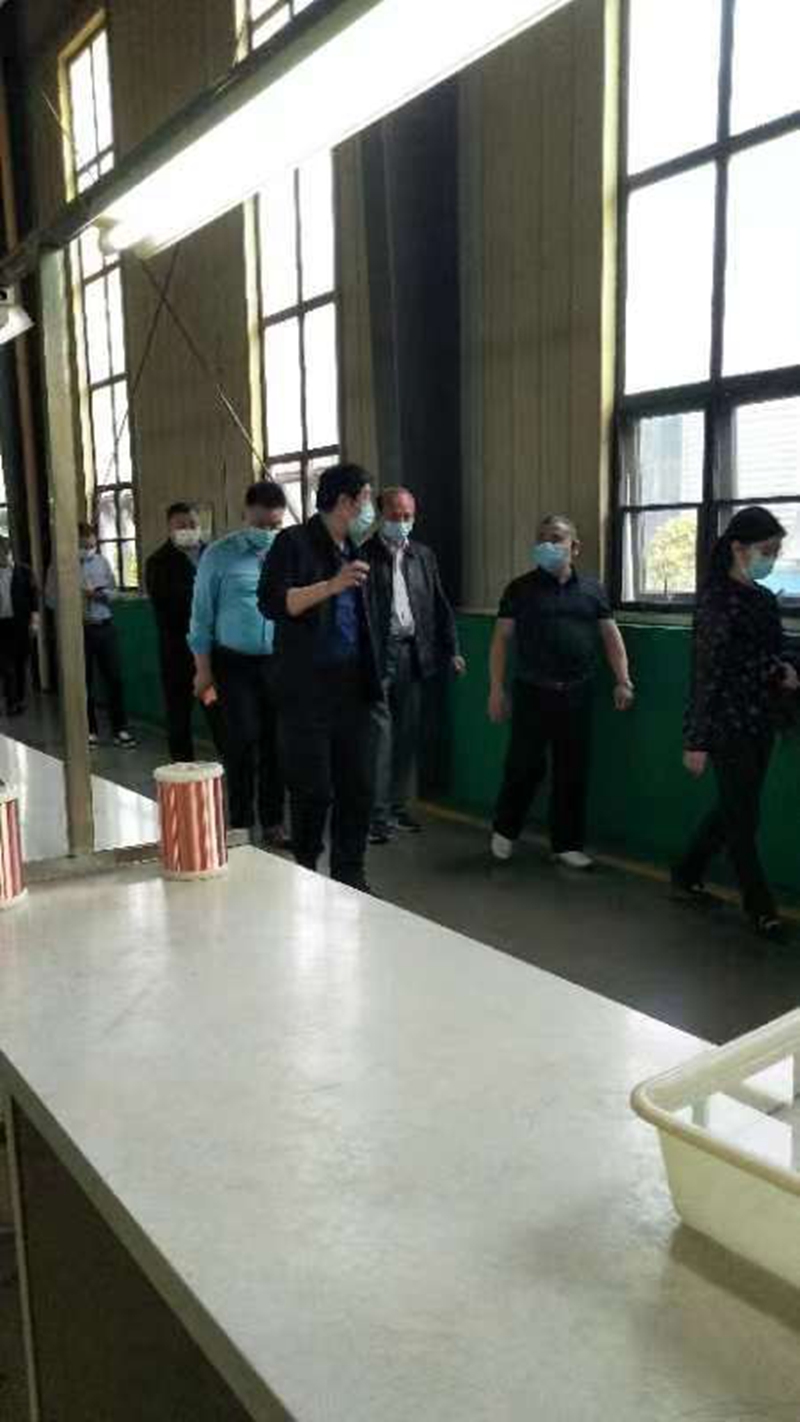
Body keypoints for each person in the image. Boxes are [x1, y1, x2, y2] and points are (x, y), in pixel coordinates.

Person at [673, 506, 799, 942]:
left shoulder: (763, 599)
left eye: (776, 551)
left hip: (761, 719)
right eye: (767, 550)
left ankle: (687, 871)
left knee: (734, 809)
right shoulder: (715, 601)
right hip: (727, 723)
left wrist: (784, 667)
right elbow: (709, 672)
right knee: (743, 819)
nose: (772, 558)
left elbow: (771, 651)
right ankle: (760, 908)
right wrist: (696, 739)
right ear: (738, 548)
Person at [258, 463, 381, 891]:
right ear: (345, 502)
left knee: (358, 785)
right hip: (306, 687)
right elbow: (273, 603)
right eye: (366, 499)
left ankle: (350, 872)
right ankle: (307, 869)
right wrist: (331, 585)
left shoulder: (358, 548)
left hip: (355, 684)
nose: (369, 509)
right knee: (313, 789)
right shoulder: (293, 543)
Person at [488, 513, 633, 869]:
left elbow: (610, 636)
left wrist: (623, 679)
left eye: (555, 538)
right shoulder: (519, 589)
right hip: (532, 691)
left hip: (577, 693)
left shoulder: (593, 590)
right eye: (542, 538)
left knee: (572, 769)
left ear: (575, 547)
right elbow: (501, 640)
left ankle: (566, 844)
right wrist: (496, 689)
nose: (547, 545)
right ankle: (505, 831)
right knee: (523, 766)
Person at [364, 485, 466, 843]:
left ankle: (396, 807)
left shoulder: (422, 555)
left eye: (408, 516)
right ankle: (376, 816)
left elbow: (439, 604)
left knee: (406, 736)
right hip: (378, 655)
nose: (402, 522)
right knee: (379, 738)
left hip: (413, 653)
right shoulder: (363, 556)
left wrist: (452, 649)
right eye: (395, 515)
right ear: (380, 515)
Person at [189, 481, 287, 844]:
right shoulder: (219, 555)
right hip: (233, 664)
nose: (268, 533)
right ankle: (241, 821)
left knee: (277, 744)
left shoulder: (287, 553)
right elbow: (201, 617)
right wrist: (203, 671)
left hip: (278, 663)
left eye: (275, 525)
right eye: (261, 524)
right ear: (246, 513)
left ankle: (273, 821)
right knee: (241, 741)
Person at [145, 502, 212, 762]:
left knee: (217, 712)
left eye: (192, 524)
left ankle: (233, 771)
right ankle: (183, 771)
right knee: (179, 716)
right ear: (169, 528)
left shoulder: (213, 555)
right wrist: (202, 601)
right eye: (181, 525)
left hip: (213, 655)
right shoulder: (158, 562)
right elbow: (166, 609)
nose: (188, 529)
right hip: (179, 655)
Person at [77, 523, 136, 748]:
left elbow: (114, 592)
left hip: (104, 626)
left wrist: (99, 595)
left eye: (91, 545)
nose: (88, 550)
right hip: (80, 629)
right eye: (84, 546)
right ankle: (89, 730)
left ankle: (120, 729)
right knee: (84, 681)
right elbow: (53, 597)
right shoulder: (65, 566)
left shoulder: (102, 562)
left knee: (114, 679)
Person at [0, 536, 38, 716]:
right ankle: (11, 702)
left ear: (8, 553)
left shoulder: (24, 571)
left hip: (20, 624)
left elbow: (33, 598)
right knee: (6, 665)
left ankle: (20, 699)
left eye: (2, 554)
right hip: (1, 624)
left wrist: (35, 622)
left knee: (20, 663)